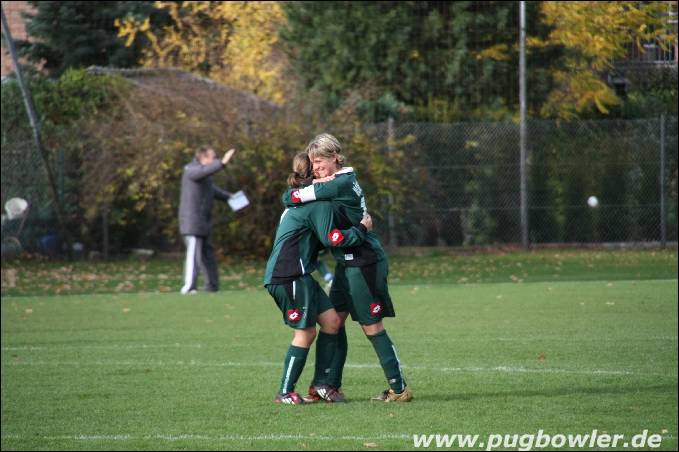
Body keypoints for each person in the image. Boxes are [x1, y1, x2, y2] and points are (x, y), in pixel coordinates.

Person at [282, 133, 412, 402]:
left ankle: (399, 390)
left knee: (371, 326)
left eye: (320, 161)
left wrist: (314, 185)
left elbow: (290, 197)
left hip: (364, 261)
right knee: (334, 321)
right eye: (313, 163)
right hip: (347, 262)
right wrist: (318, 181)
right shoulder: (341, 180)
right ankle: (325, 386)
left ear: (335, 158)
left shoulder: (339, 183)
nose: (316, 168)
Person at [265, 153, 373, 404]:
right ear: (315, 176)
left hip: (300, 274)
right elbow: (332, 239)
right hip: (288, 275)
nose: (330, 175)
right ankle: (284, 392)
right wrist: (362, 229)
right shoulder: (319, 203)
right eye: (317, 166)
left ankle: (321, 385)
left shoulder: (303, 199)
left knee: (332, 322)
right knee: (306, 333)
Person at [178, 145, 236, 294]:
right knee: (193, 255)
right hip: (192, 222)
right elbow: (204, 171)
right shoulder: (190, 169)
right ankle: (189, 287)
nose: (215, 159)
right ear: (203, 157)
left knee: (208, 256)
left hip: (203, 223)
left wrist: (231, 197)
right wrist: (222, 163)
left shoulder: (204, 177)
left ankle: (212, 287)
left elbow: (214, 191)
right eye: (213, 157)